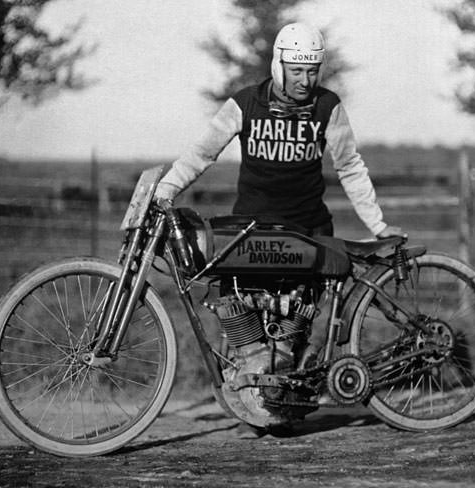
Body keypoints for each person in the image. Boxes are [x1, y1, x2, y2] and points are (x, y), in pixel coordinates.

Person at [156, 23, 405, 436]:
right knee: (241, 310)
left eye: (312, 71)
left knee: (295, 326)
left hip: (307, 230)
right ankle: (259, 392)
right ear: (278, 65)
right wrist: (165, 190)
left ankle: (283, 398)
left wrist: (377, 225)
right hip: (251, 231)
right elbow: (202, 153)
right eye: (297, 71)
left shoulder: (329, 107)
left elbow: (350, 167)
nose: (305, 81)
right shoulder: (243, 104)